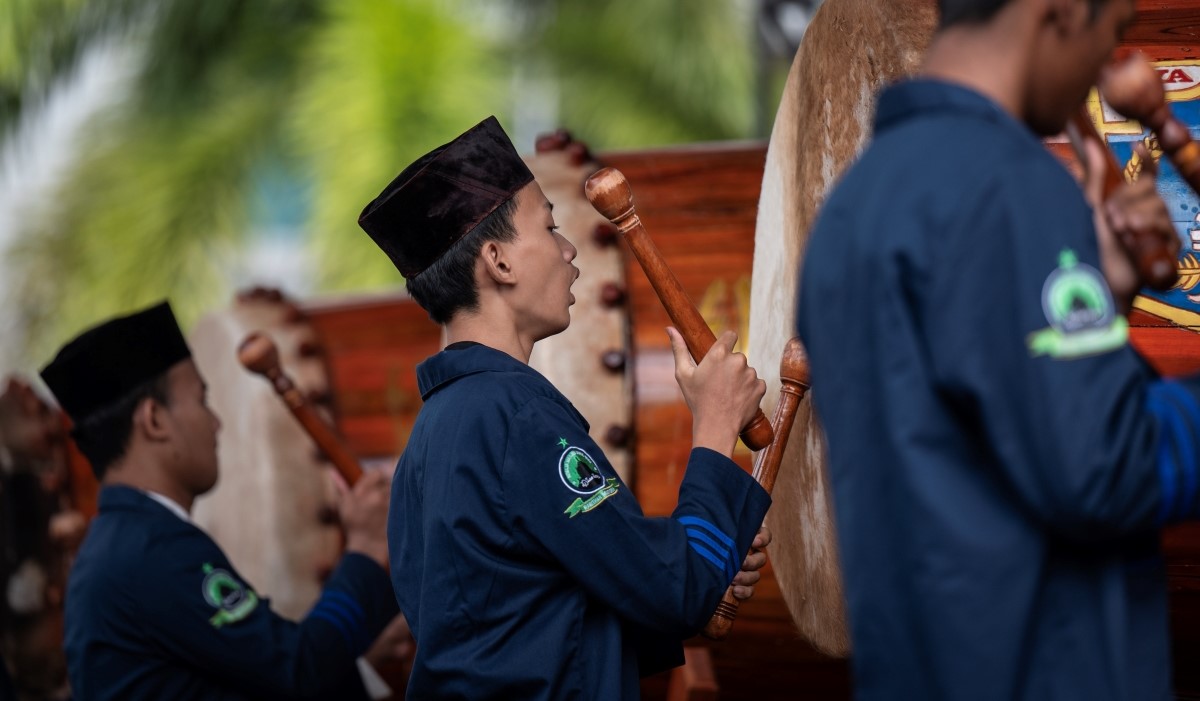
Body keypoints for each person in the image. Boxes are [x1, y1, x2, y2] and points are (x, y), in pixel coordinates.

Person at [796, 0, 1192, 698]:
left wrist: (1107, 298)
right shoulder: (1011, 186)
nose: (1105, 72)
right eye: (1114, 34)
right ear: (1062, 11)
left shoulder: (852, 208)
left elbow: (968, 439)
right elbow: (1102, 465)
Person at [357, 116, 774, 699]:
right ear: (499, 262)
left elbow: (523, 627)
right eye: (550, 228)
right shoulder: (515, 413)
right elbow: (670, 589)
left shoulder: (429, 438)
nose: (570, 249)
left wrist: (707, 562)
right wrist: (713, 426)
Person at [41, 302, 401, 701]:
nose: (216, 423)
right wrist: (365, 549)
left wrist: (359, 662)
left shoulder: (121, 546)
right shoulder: (151, 550)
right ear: (155, 420)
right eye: (201, 400)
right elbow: (299, 670)